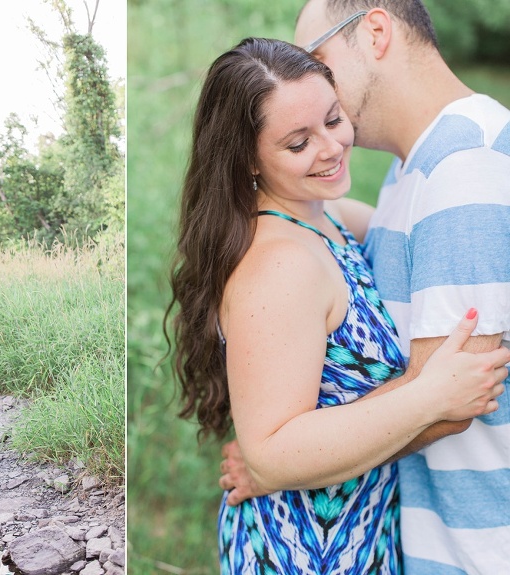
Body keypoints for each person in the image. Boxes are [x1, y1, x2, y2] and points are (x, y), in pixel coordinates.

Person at [167, 36, 509, 574]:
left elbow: (439, 244)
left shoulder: (327, 216)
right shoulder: (282, 265)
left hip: (360, 530)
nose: (331, 147)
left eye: (333, 118)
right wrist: (430, 396)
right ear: (248, 161)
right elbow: (272, 452)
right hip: (307, 547)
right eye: (298, 143)